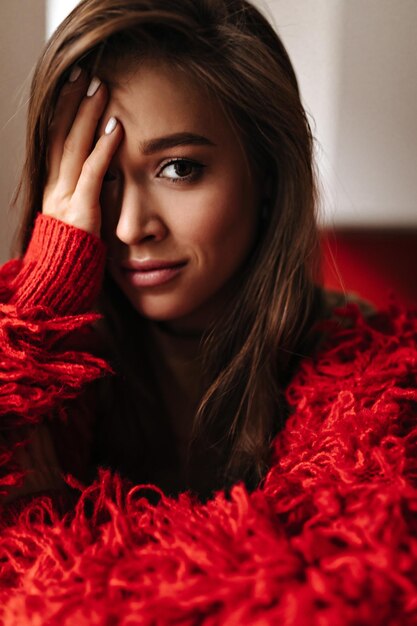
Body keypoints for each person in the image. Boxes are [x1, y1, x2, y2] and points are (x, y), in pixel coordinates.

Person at [0, 1, 416, 623]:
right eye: (100, 175)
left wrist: (40, 544)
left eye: (179, 168)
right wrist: (39, 310)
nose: (129, 226)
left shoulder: (378, 386)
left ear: (267, 173)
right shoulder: (45, 381)